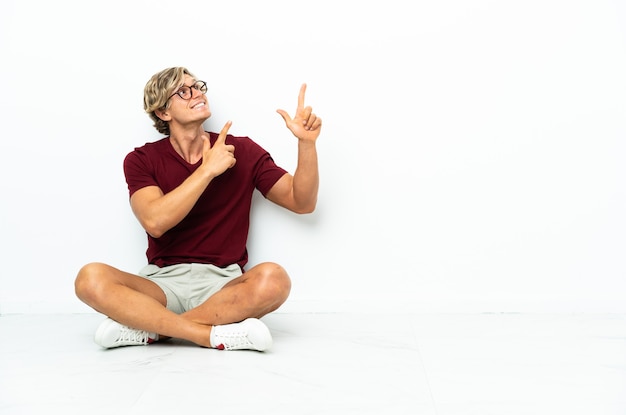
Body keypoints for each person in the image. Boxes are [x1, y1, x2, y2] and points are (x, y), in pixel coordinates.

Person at [74, 67, 321, 352]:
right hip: (161, 284)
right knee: (90, 278)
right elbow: (155, 221)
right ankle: (207, 335)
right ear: (163, 113)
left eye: (198, 86)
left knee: (275, 280)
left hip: (223, 286)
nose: (197, 94)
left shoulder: (243, 150)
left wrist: (306, 144)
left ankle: (154, 329)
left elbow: (302, 202)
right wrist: (207, 171)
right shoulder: (141, 159)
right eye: (184, 91)